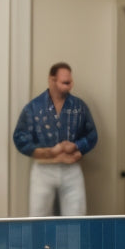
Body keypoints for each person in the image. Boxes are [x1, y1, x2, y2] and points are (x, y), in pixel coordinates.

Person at [13, 62, 98, 216]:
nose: (70, 86)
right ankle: (41, 241)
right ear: (52, 80)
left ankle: (72, 241)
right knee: (38, 217)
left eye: (71, 82)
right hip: (43, 170)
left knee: (76, 216)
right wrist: (48, 152)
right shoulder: (34, 108)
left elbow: (92, 135)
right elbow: (19, 138)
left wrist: (77, 147)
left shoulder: (79, 106)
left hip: (72, 169)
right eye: (65, 82)